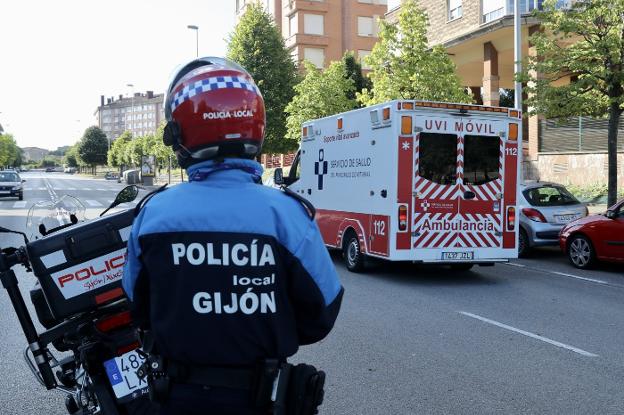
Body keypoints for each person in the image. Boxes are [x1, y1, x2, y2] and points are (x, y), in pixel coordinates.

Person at [122, 57, 343, 415]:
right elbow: (322, 313)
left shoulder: (154, 215)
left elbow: (137, 303)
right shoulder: (287, 215)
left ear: (179, 135)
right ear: (257, 127)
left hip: (178, 398)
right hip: (265, 400)